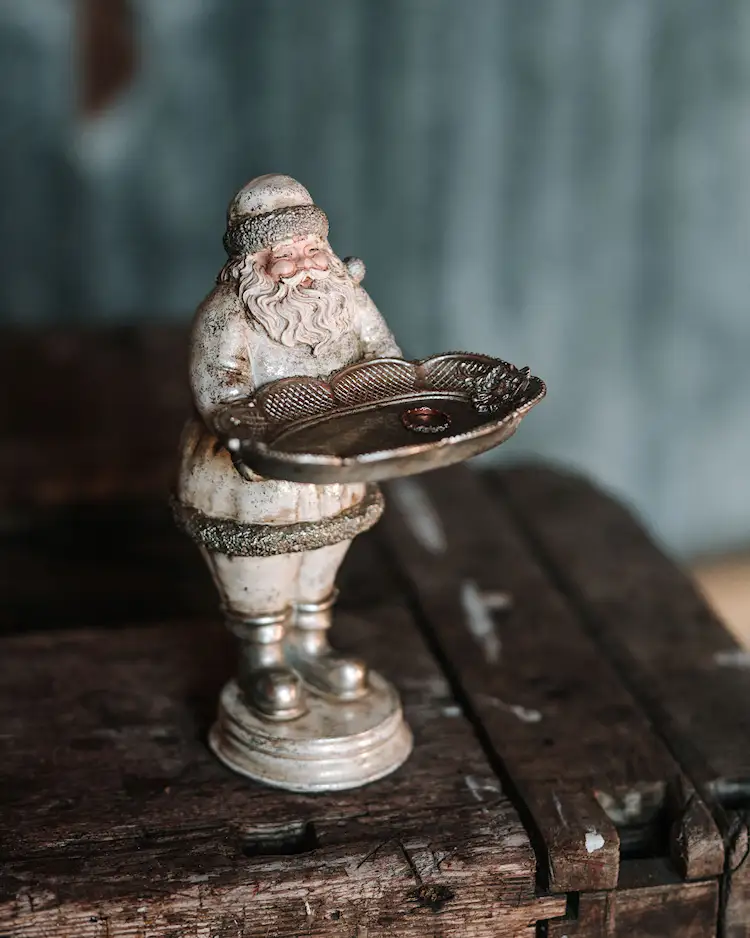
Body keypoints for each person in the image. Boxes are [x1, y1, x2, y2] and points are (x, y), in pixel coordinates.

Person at [175, 174, 401, 721]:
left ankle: (310, 646)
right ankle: (263, 656)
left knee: (323, 554)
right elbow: (220, 391)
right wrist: (261, 443)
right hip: (250, 474)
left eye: (312, 248)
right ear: (252, 262)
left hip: (336, 459)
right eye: (286, 254)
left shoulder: (348, 296)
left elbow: (384, 354)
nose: (305, 265)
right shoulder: (228, 314)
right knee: (261, 563)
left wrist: (384, 403)